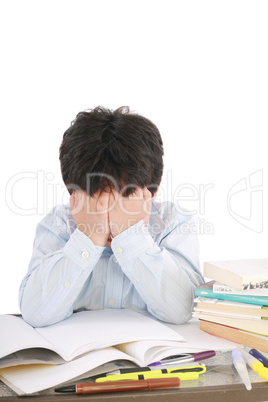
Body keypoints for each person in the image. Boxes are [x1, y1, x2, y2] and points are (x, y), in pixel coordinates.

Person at [19, 106, 203, 327]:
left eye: (124, 199)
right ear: (74, 194)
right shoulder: (59, 224)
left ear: (152, 191)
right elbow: (34, 313)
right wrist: (87, 238)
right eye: (97, 201)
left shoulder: (173, 222)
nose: (108, 217)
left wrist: (130, 234)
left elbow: (184, 310)